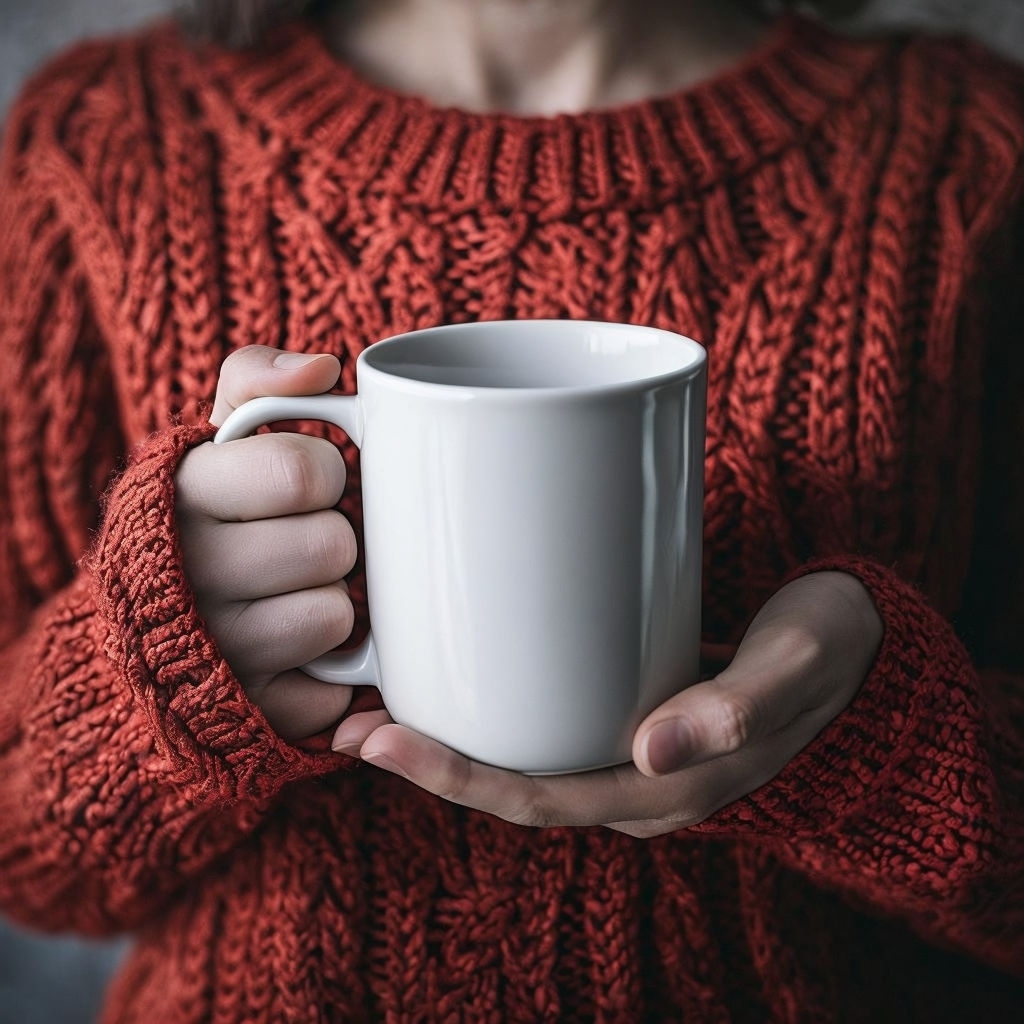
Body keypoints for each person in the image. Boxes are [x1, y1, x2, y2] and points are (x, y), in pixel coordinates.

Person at [0, 0, 1021, 1019]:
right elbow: (22, 859)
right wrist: (155, 666)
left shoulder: (963, 148)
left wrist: (887, 749)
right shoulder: (108, 140)